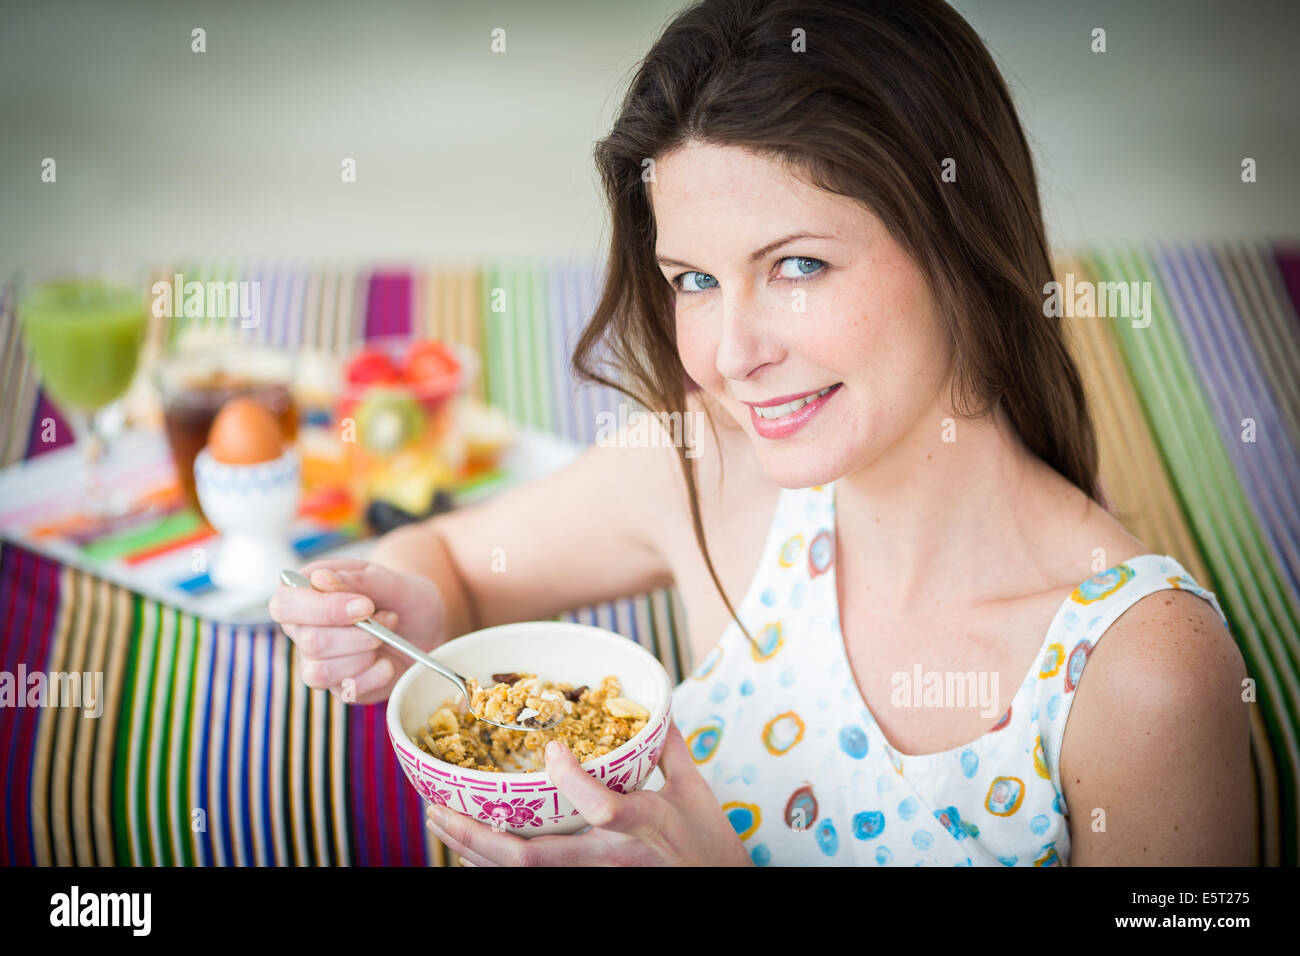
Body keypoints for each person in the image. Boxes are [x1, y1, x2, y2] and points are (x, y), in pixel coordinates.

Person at [268, 0, 1255, 866]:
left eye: (796, 265)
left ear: (959, 238)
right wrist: (405, 611)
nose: (728, 353)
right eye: (693, 279)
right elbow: (450, 556)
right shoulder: (711, 468)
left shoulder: (1141, 672)